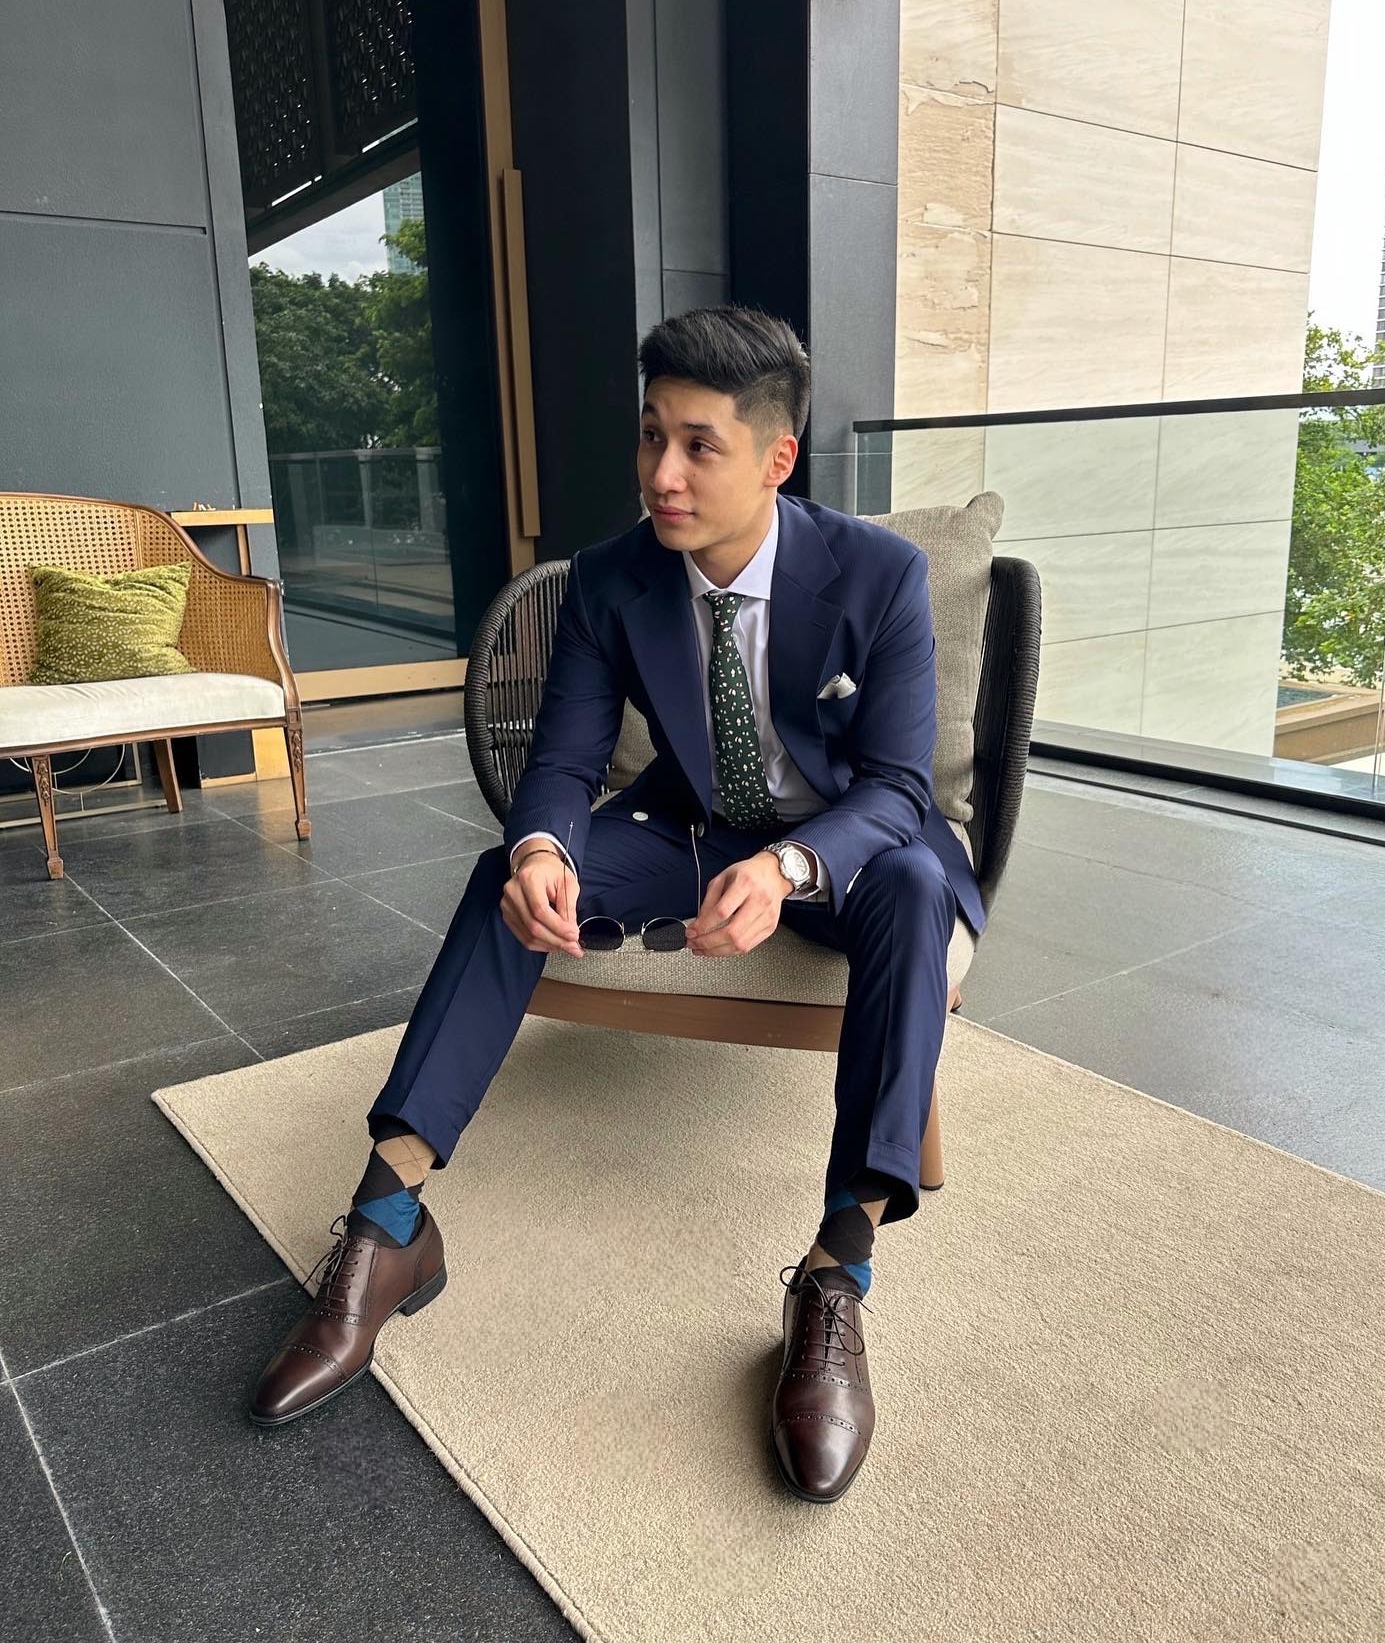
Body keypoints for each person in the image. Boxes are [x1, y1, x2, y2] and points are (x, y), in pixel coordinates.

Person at [248, 304, 986, 1503]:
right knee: (503, 878)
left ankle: (836, 1276)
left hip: (847, 851)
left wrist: (790, 869)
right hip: (691, 831)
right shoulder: (609, 577)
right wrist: (544, 844)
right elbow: (563, 758)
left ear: (777, 459)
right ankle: (388, 1223)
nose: (661, 473)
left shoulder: (879, 574)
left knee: (908, 883)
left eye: (698, 445)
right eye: (651, 436)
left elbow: (901, 787)